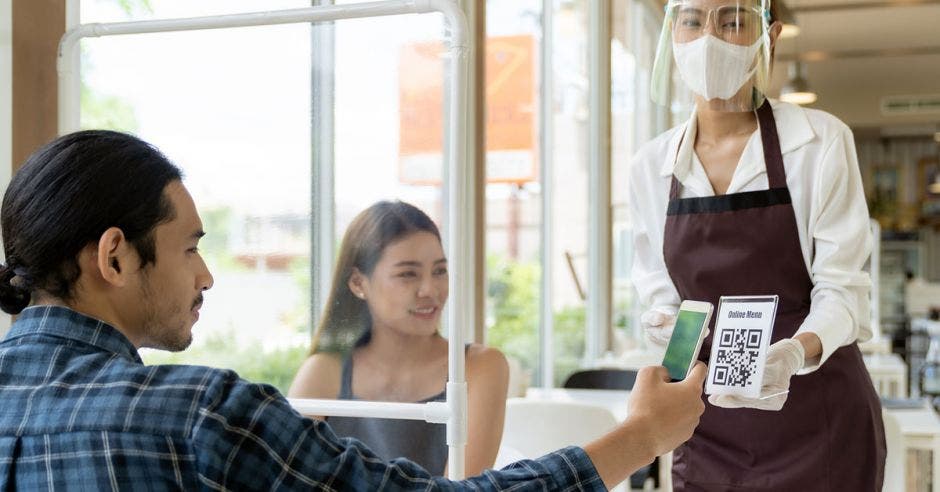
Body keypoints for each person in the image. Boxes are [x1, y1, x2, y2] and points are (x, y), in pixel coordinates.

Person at [0, 130, 706, 490]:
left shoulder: (479, 365)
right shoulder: (199, 414)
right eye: (190, 248)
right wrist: (640, 436)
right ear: (116, 257)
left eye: (439, 271)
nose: (209, 275)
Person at [631, 0, 885, 489]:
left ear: (769, 36)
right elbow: (662, 294)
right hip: (705, 422)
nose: (710, 36)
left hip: (820, 417)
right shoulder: (651, 166)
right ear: (672, 36)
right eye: (691, 20)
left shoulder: (819, 142)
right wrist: (668, 326)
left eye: (732, 19)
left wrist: (792, 354)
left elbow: (844, 290)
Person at [288, 201, 507, 477]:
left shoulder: (480, 366)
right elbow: (288, 477)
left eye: (439, 271)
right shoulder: (325, 370)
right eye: (408, 274)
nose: (430, 290)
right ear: (358, 283)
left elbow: (464, 488)